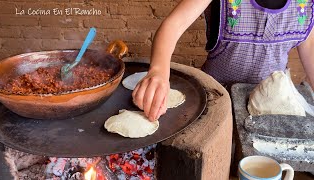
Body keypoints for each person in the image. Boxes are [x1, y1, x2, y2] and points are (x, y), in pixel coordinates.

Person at [132, 0, 314, 121]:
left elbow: (311, 51)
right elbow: (173, 26)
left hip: (272, 108)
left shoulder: (304, 4)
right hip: (215, 100)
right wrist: (158, 71)